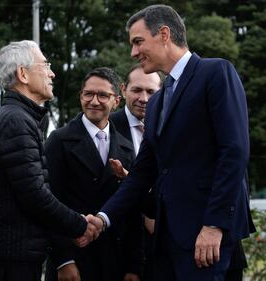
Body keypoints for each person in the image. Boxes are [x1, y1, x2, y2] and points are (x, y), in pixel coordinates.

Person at [85, 4, 255, 281]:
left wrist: (214, 224)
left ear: (164, 34)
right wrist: (103, 218)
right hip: (166, 243)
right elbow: (142, 173)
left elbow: (234, 152)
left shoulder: (215, 73)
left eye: (138, 42)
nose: (133, 52)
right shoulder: (157, 103)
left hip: (206, 238)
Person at [0, 40, 94, 281]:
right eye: (45, 65)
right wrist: (79, 224)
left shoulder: (20, 118)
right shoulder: (15, 121)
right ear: (23, 74)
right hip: (14, 257)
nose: (52, 72)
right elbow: (35, 194)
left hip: (17, 253)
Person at [44, 67, 143, 281]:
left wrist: (134, 267)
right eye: (88, 94)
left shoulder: (127, 148)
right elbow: (49, 204)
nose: (94, 101)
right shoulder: (59, 141)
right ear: (81, 96)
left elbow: (133, 212)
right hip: (74, 262)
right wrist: (63, 260)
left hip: (115, 262)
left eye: (103, 95)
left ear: (117, 100)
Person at [110, 64, 162, 281]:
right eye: (137, 90)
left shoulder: (169, 127)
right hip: (120, 245)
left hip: (163, 243)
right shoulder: (106, 126)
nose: (144, 98)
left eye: (151, 92)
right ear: (123, 90)